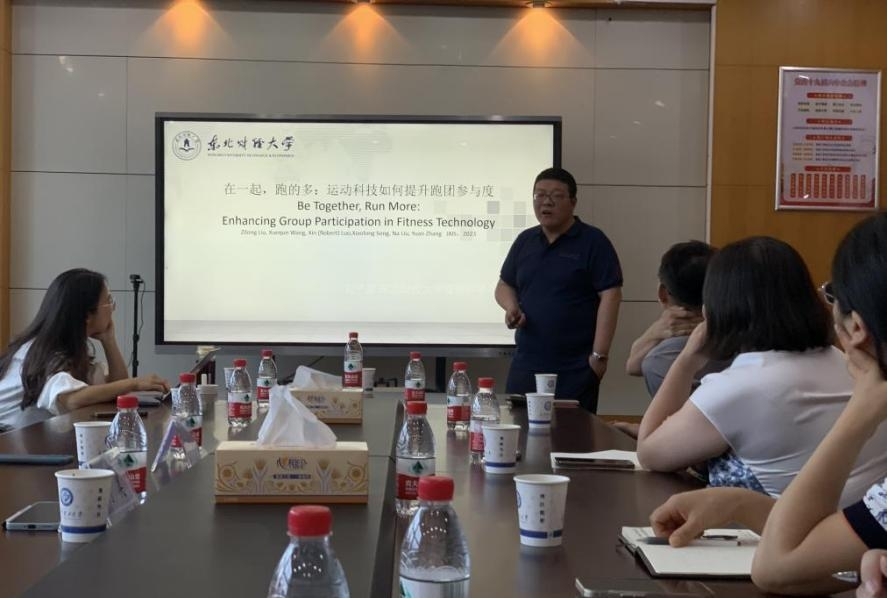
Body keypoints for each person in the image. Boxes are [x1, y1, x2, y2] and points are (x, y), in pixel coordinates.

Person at [648, 215, 887, 595]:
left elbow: (777, 566)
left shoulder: (742, 383)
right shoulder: (834, 361)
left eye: (832, 293)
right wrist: (737, 503)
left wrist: (862, 411)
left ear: (856, 328)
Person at [636, 236, 884, 502]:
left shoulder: (738, 386)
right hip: (860, 523)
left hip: (784, 526)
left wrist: (687, 359)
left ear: (716, 309)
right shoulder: (847, 363)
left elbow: (650, 454)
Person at [495, 167, 622, 412]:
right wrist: (511, 307)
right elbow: (504, 284)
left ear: (573, 202)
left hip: (575, 367)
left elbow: (611, 295)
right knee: (520, 427)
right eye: (540, 195)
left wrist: (599, 356)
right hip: (526, 363)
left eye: (556, 196)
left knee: (572, 432)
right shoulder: (525, 241)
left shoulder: (593, 241)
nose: (546, 202)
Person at [0, 268, 170, 429]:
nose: (113, 308)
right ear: (87, 315)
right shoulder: (42, 352)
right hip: (8, 442)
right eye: (109, 301)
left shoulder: (63, 348)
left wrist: (109, 341)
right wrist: (136, 382)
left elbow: (114, 388)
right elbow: (72, 399)